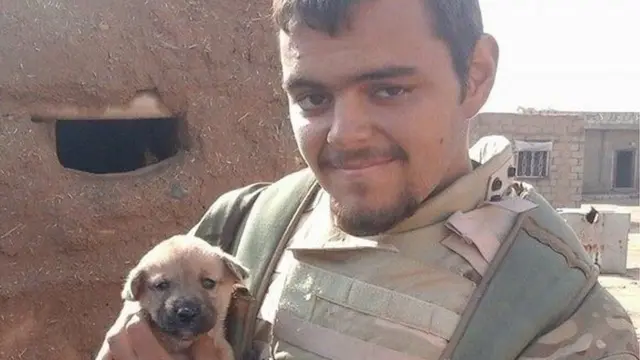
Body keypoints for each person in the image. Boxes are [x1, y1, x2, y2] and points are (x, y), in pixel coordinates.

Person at [95, 0, 639, 359]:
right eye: (312, 98)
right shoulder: (242, 227)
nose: (344, 136)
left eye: (389, 90)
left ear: (474, 76)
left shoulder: (557, 311)